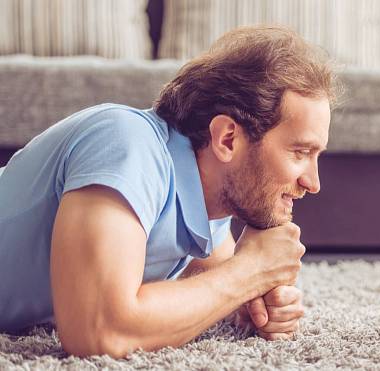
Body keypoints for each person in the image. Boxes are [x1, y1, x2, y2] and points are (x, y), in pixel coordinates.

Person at [0, 25, 337, 357]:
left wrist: (250, 302)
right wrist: (250, 272)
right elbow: (97, 331)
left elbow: (215, 279)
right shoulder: (125, 144)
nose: (313, 182)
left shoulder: (212, 201)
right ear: (227, 139)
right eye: (300, 153)